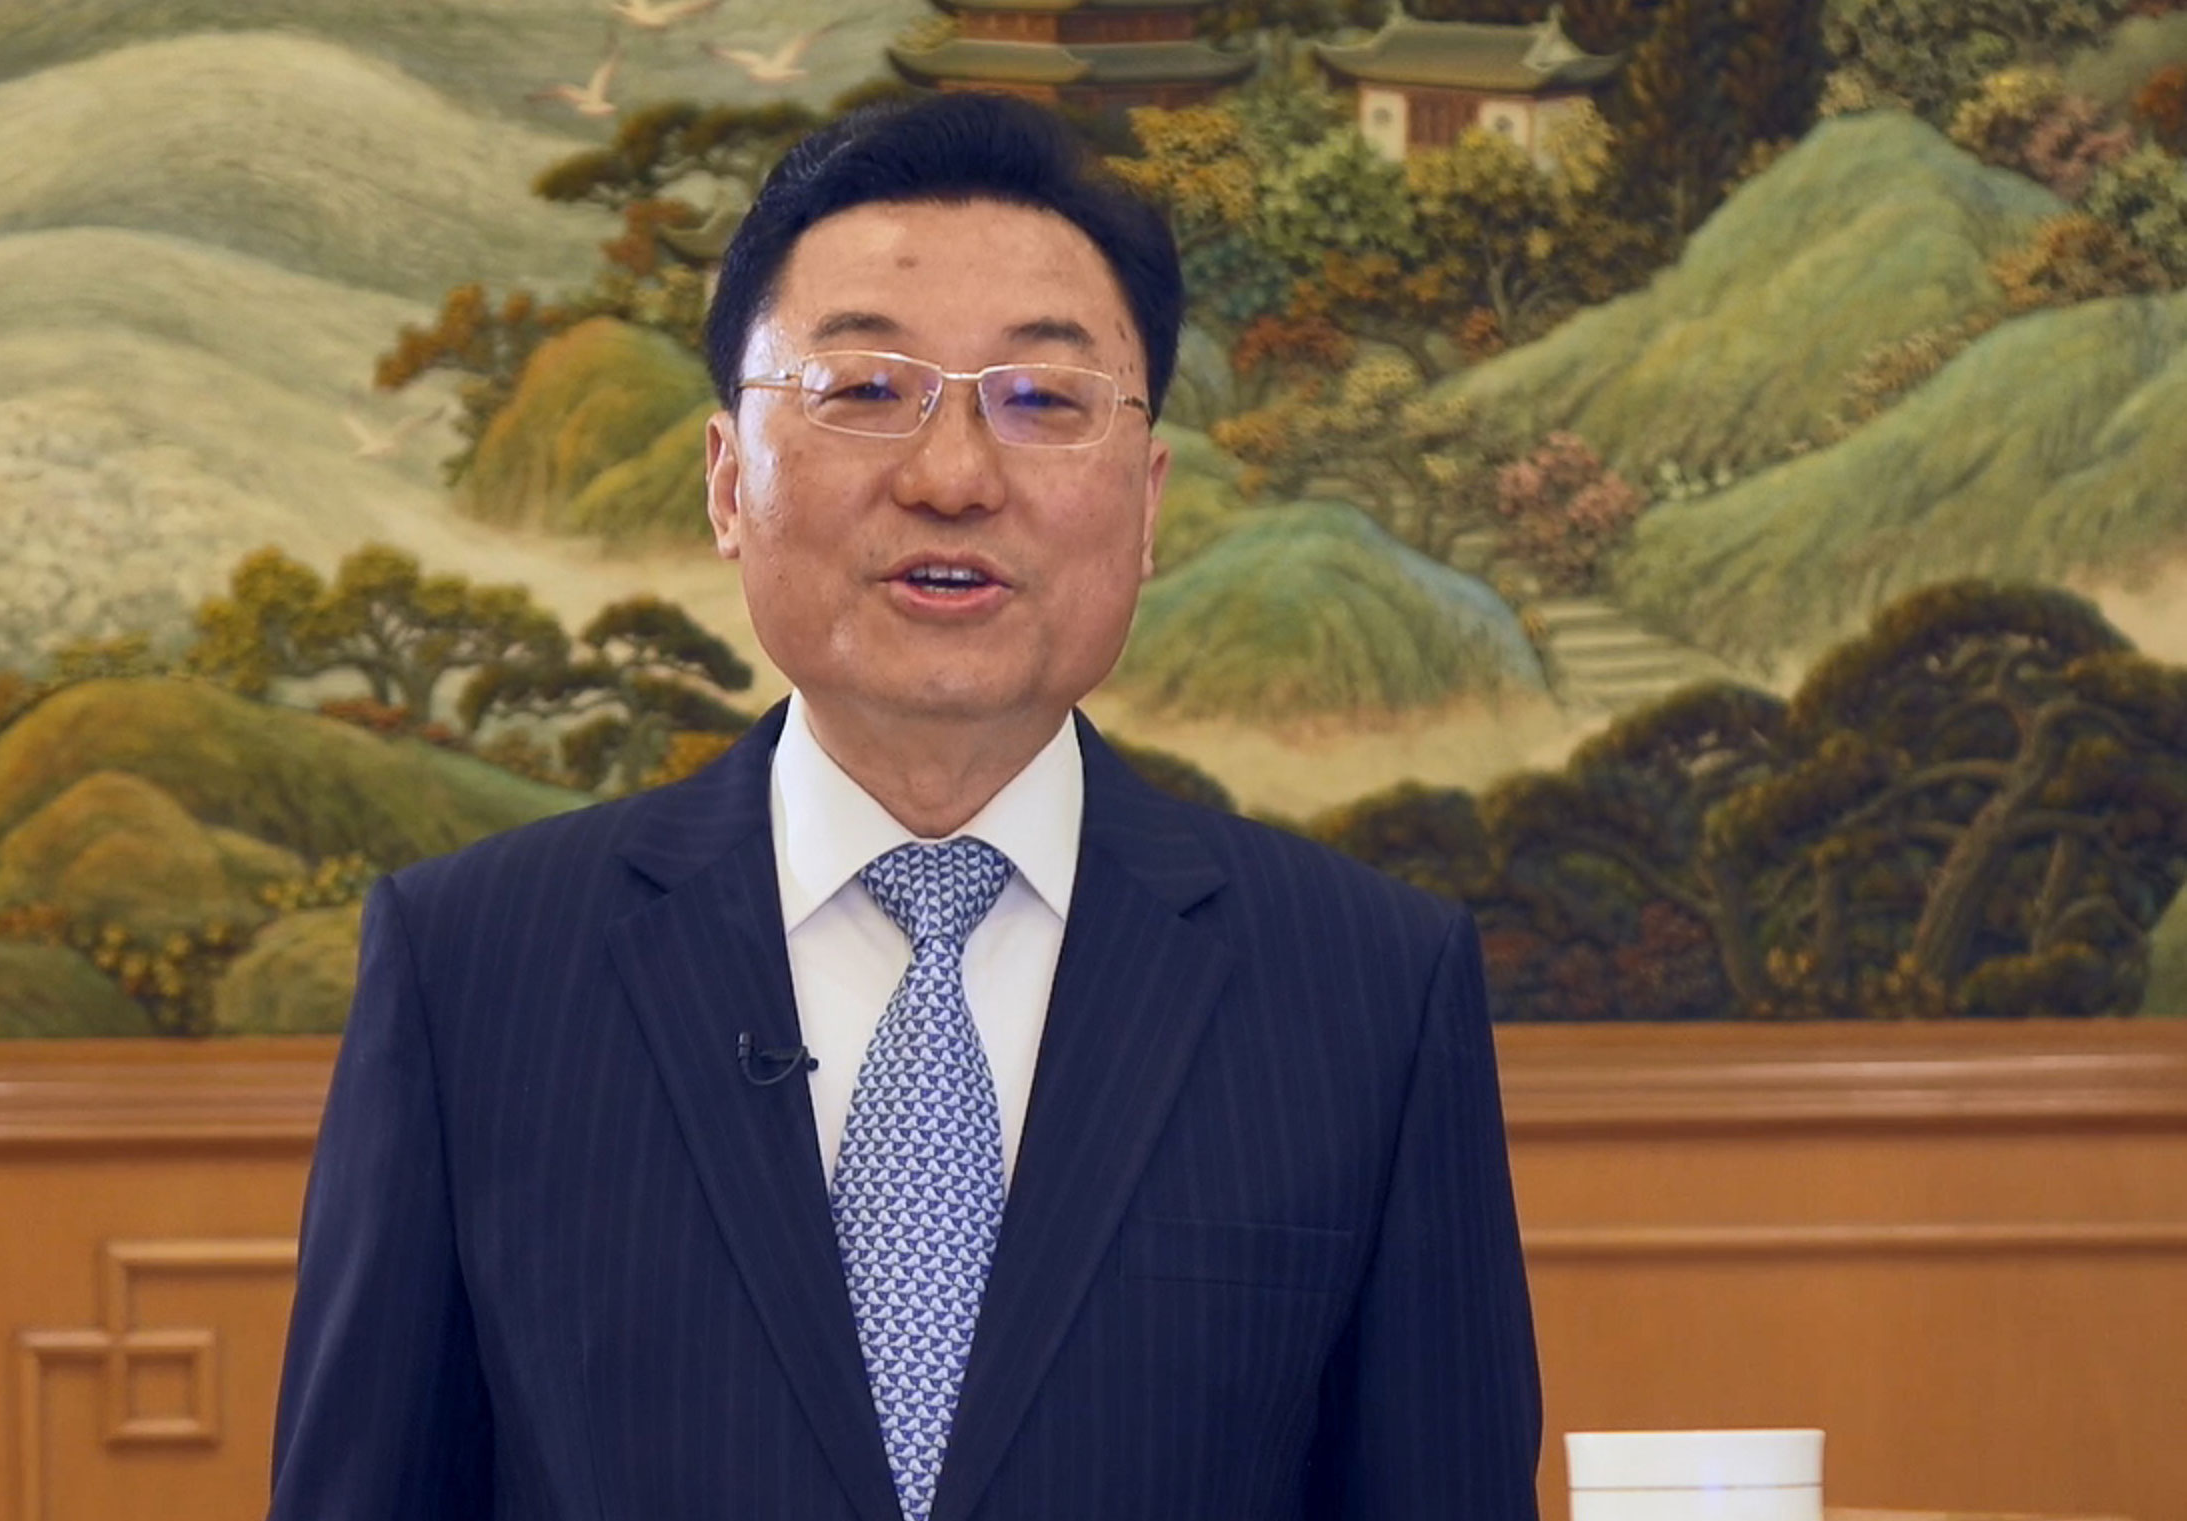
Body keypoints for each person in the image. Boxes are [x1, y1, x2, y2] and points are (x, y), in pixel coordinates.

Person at [270, 91, 1540, 1521]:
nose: (951, 477)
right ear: (727, 481)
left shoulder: (1368, 991)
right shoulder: (474, 971)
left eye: (1042, 399)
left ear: (1146, 502)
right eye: (866, 392)